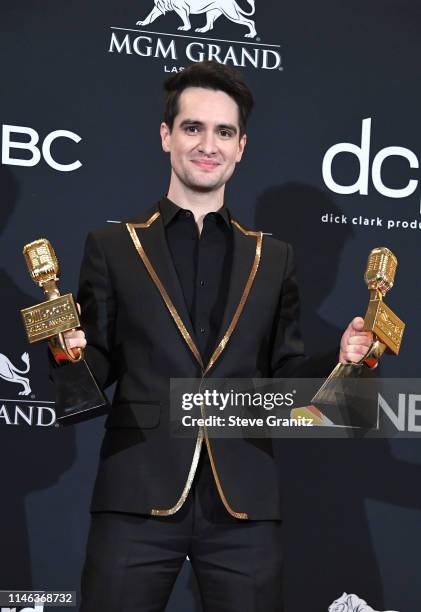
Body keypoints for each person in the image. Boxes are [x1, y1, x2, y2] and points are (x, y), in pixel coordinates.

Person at [58, 61, 373, 612]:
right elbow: (98, 368)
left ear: (241, 146)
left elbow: (285, 379)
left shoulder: (273, 259)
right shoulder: (112, 246)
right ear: (166, 136)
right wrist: (68, 350)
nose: (209, 145)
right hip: (137, 495)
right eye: (193, 128)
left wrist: (341, 360)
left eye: (224, 132)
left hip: (244, 504)